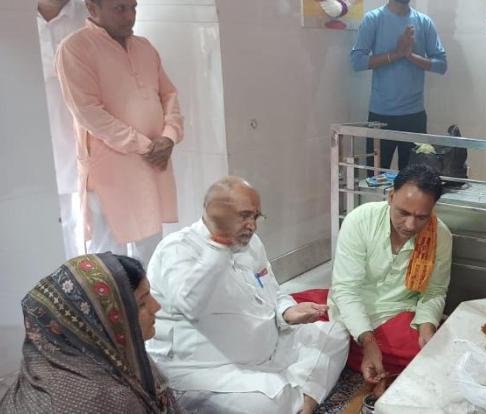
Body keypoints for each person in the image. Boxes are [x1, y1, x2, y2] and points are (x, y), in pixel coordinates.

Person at [145, 177, 349, 414]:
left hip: (268, 350)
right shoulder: (177, 248)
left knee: (335, 334)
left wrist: (287, 311)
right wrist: (220, 244)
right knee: (264, 405)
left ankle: (302, 401)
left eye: (255, 216)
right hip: (209, 369)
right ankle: (293, 393)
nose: (251, 225)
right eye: (244, 216)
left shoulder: (252, 244)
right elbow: (191, 304)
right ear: (213, 212)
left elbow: (272, 288)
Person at [56, 0, 184, 266]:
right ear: (93, 8)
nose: (130, 16)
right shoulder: (75, 48)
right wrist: (145, 146)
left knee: (151, 250)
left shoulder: (144, 47)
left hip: (150, 165)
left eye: (133, 8)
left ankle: (147, 295)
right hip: (110, 171)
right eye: (119, 9)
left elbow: (169, 95)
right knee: (108, 258)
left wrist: (169, 136)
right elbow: (88, 112)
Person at [327, 164, 452, 396]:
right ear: (391, 196)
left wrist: (427, 328)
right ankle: (355, 350)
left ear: (433, 209)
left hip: (398, 314)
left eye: (421, 217)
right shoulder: (360, 221)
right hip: (352, 314)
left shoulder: (440, 235)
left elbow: (434, 291)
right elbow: (345, 290)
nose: (410, 225)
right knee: (298, 323)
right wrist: (368, 341)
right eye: (403, 213)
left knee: (439, 353)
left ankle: (349, 354)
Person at [0, 253, 177, 413]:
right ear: (101, 322)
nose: (156, 306)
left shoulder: (112, 359)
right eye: (141, 304)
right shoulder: (104, 400)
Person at [351, 0, 447, 171]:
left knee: (414, 180)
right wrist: (396, 54)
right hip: (380, 117)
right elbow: (357, 62)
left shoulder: (424, 22)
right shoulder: (373, 19)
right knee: (375, 178)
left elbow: (441, 65)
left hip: (414, 117)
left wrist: (410, 56)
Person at [37, 0, 89, 259]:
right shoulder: (12, 15)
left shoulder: (87, 12)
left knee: (89, 211)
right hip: (36, 128)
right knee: (53, 213)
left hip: (85, 126)